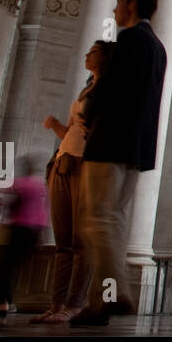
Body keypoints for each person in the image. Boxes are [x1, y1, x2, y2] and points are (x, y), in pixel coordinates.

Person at [71, 0, 167, 326]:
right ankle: (100, 302)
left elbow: (109, 90)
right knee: (112, 223)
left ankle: (114, 294)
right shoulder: (158, 47)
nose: (114, 9)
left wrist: (87, 110)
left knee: (98, 220)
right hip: (135, 150)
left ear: (131, 4)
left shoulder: (128, 42)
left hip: (110, 142)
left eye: (118, 2)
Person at [35, 39, 112, 324]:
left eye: (93, 52)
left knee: (82, 242)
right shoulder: (85, 89)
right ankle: (56, 303)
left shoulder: (108, 92)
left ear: (105, 59)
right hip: (63, 161)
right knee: (63, 241)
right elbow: (71, 130)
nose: (87, 54)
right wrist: (55, 125)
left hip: (86, 166)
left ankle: (75, 303)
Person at [0, 156, 47, 318]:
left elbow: (8, 202)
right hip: (34, 231)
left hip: (17, 229)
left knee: (5, 268)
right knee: (12, 268)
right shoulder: (40, 186)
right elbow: (43, 213)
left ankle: (2, 304)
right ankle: (8, 301)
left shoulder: (19, 184)